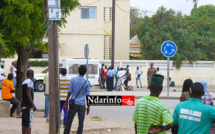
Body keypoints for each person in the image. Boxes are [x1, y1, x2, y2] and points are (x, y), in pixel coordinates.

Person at [63, 65, 90, 134]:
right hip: (82, 105)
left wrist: (66, 102)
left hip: (73, 103)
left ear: (78, 71)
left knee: (69, 121)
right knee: (81, 123)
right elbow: (87, 95)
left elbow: (69, 91)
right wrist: (88, 106)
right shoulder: (86, 82)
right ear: (85, 72)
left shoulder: (73, 79)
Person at [21, 70, 37, 134]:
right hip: (28, 105)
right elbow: (28, 93)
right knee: (29, 124)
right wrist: (32, 105)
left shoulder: (24, 82)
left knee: (24, 123)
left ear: (26, 75)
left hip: (23, 104)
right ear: (32, 75)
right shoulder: (30, 82)